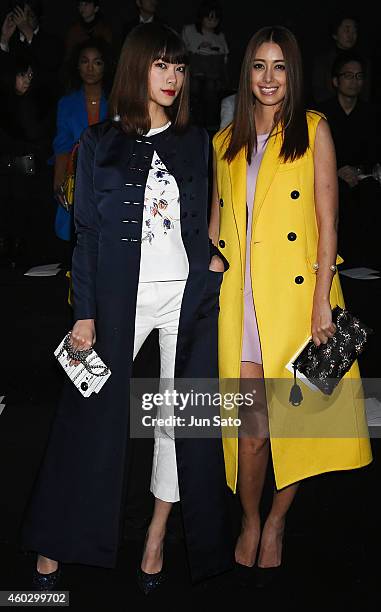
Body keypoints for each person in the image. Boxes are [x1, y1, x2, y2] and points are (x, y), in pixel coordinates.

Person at [20, 22, 233, 594]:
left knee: (179, 418)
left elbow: (203, 215)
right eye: (161, 64)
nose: (172, 77)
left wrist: (211, 258)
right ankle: (59, 536)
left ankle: (158, 536)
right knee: (88, 414)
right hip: (120, 299)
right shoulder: (99, 143)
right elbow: (86, 233)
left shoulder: (197, 140)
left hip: (187, 299)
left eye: (180, 66)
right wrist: (83, 312)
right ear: (137, 69)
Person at [209, 25, 372, 584]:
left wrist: (323, 301)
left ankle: (278, 521)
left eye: (280, 67)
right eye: (259, 65)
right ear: (246, 73)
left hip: (301, 303)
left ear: (293, 74)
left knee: (295, 428)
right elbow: (216, 228)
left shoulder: (314, 131)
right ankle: (251, 519)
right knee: (250, 432)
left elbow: (330, 222)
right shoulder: (223, 141)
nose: (270, 78)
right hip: (243, 305)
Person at [318, 52, 381, 268]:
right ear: (335, 81)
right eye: (348, 76)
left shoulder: (371, 113)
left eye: (359, 76)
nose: (354, 81)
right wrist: (336, 171)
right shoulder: (321, 113)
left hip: (364, 177)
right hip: (330, 178)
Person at [52, 37, 112, 249]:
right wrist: (58, 181)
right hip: (76, 180)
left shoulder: (116, 102)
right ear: (77, 66)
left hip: (110, 181)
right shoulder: (67, 103)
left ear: (105, 67)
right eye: (85, 61)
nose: (90, 68)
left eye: (97, 62)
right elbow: (62, 145)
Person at [0, 55, 53, 266]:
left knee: (24, 218)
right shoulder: (4, 103)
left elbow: (38, 136)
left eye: (30, 75)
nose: (27, 80)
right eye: (22, 75)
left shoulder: (35, 102)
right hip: (5, 176)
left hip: (29, 177)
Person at [0, 1, 63, 99]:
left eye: (29, 16)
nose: (24, 20)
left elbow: (50, 66)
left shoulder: (51, 41)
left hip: (40, 104)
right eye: (21, 15)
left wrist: (27, 30)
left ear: (38, 17)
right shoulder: (12, 39)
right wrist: (4, 39)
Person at [182, 0, 229, 130]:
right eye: (209, 16)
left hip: (213, 74)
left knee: (211, 89)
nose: (212, 20)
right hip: (194, 72)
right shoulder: (189, 30)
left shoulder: (220, 36)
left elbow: (224, 58)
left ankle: (209, 126)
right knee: (195, 87)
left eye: (215, 18)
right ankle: (192, 123)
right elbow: (184, 52)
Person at [311, 13, 371, 104]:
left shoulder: (364, 62)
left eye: (354, 31)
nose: (351, 35)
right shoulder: (322, 61)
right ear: (335, 34)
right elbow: (319, 93)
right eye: (347, 30)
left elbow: (366, 93)